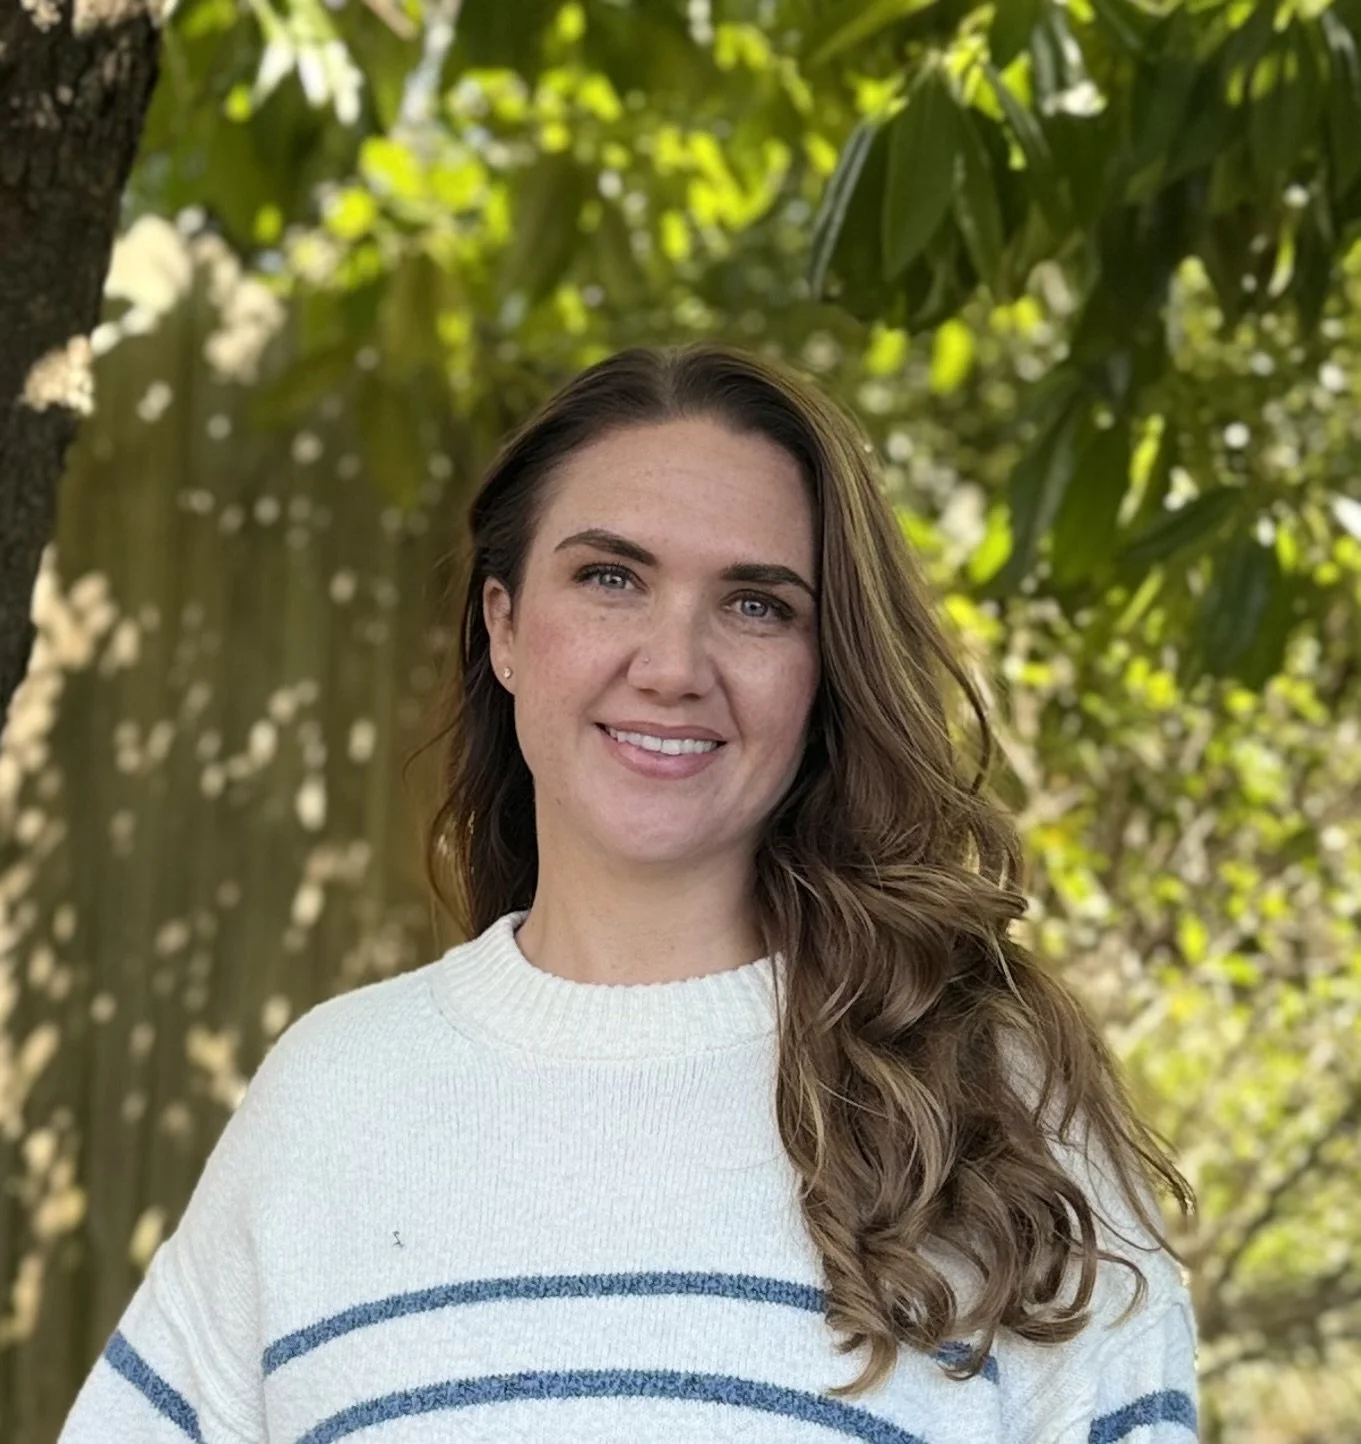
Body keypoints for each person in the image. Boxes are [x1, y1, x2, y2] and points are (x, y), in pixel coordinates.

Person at [57, 341, 1200, 1443]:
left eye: (756, 604)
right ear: (503, 626)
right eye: (610, 577)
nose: (671, 664)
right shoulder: (329, 1099)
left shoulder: (985, 1108)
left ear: (824, 667)